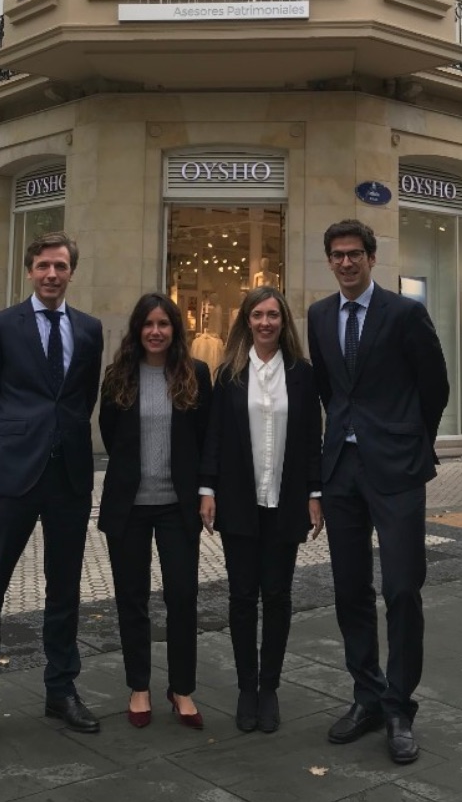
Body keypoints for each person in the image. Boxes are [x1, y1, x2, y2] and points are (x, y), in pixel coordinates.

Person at [305, 218, 449, 765]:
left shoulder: (405, 313)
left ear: (371, 257)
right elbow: (328, 388)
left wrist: (412, 441)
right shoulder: (320, 315)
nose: (346, 263)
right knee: (349, 589)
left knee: (402, 588)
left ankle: (398, 707)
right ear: (330, 260)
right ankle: (366, 696)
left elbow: (435, 386)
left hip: (397, 469)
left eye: (354, 254)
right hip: (342, 470)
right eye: (337, 255)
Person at [0, 231, 106, 755]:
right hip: (12, 477)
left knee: (64, 590)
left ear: (71, 272)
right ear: (29, 271)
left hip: (68, 478)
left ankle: (61, 690)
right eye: (43, 265)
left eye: (60, 266)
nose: (51, 274)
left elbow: (82, 399)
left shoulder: (89, 330)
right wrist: (4, 449)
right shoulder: (0, 325)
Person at [198, 286, 323, 734]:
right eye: (257, 315)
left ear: (283, 321)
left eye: (273, 315)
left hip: (285, 502)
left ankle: (269, 687)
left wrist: (315, 494)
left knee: (278, 596)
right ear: (246, 321)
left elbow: (311, 439)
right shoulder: (229, 374)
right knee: (241, 597)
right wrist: (207, 489)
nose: (265, 322)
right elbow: (214, 434)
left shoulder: (302, 374)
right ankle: (245, 688)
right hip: (239, 500)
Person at [97, 293, 213, 730]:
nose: (156, 331)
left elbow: (205, 438)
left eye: (164, 323)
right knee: (132, 598)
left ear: (175, 329)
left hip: (176, 506)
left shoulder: (195, 374)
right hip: (129, 506)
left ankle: (181, 688)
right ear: (137, 329)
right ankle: (139, 686)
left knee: (182, 596)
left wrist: (205, 490)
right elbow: (110, 433)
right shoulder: (118, 376)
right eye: (148, 324)